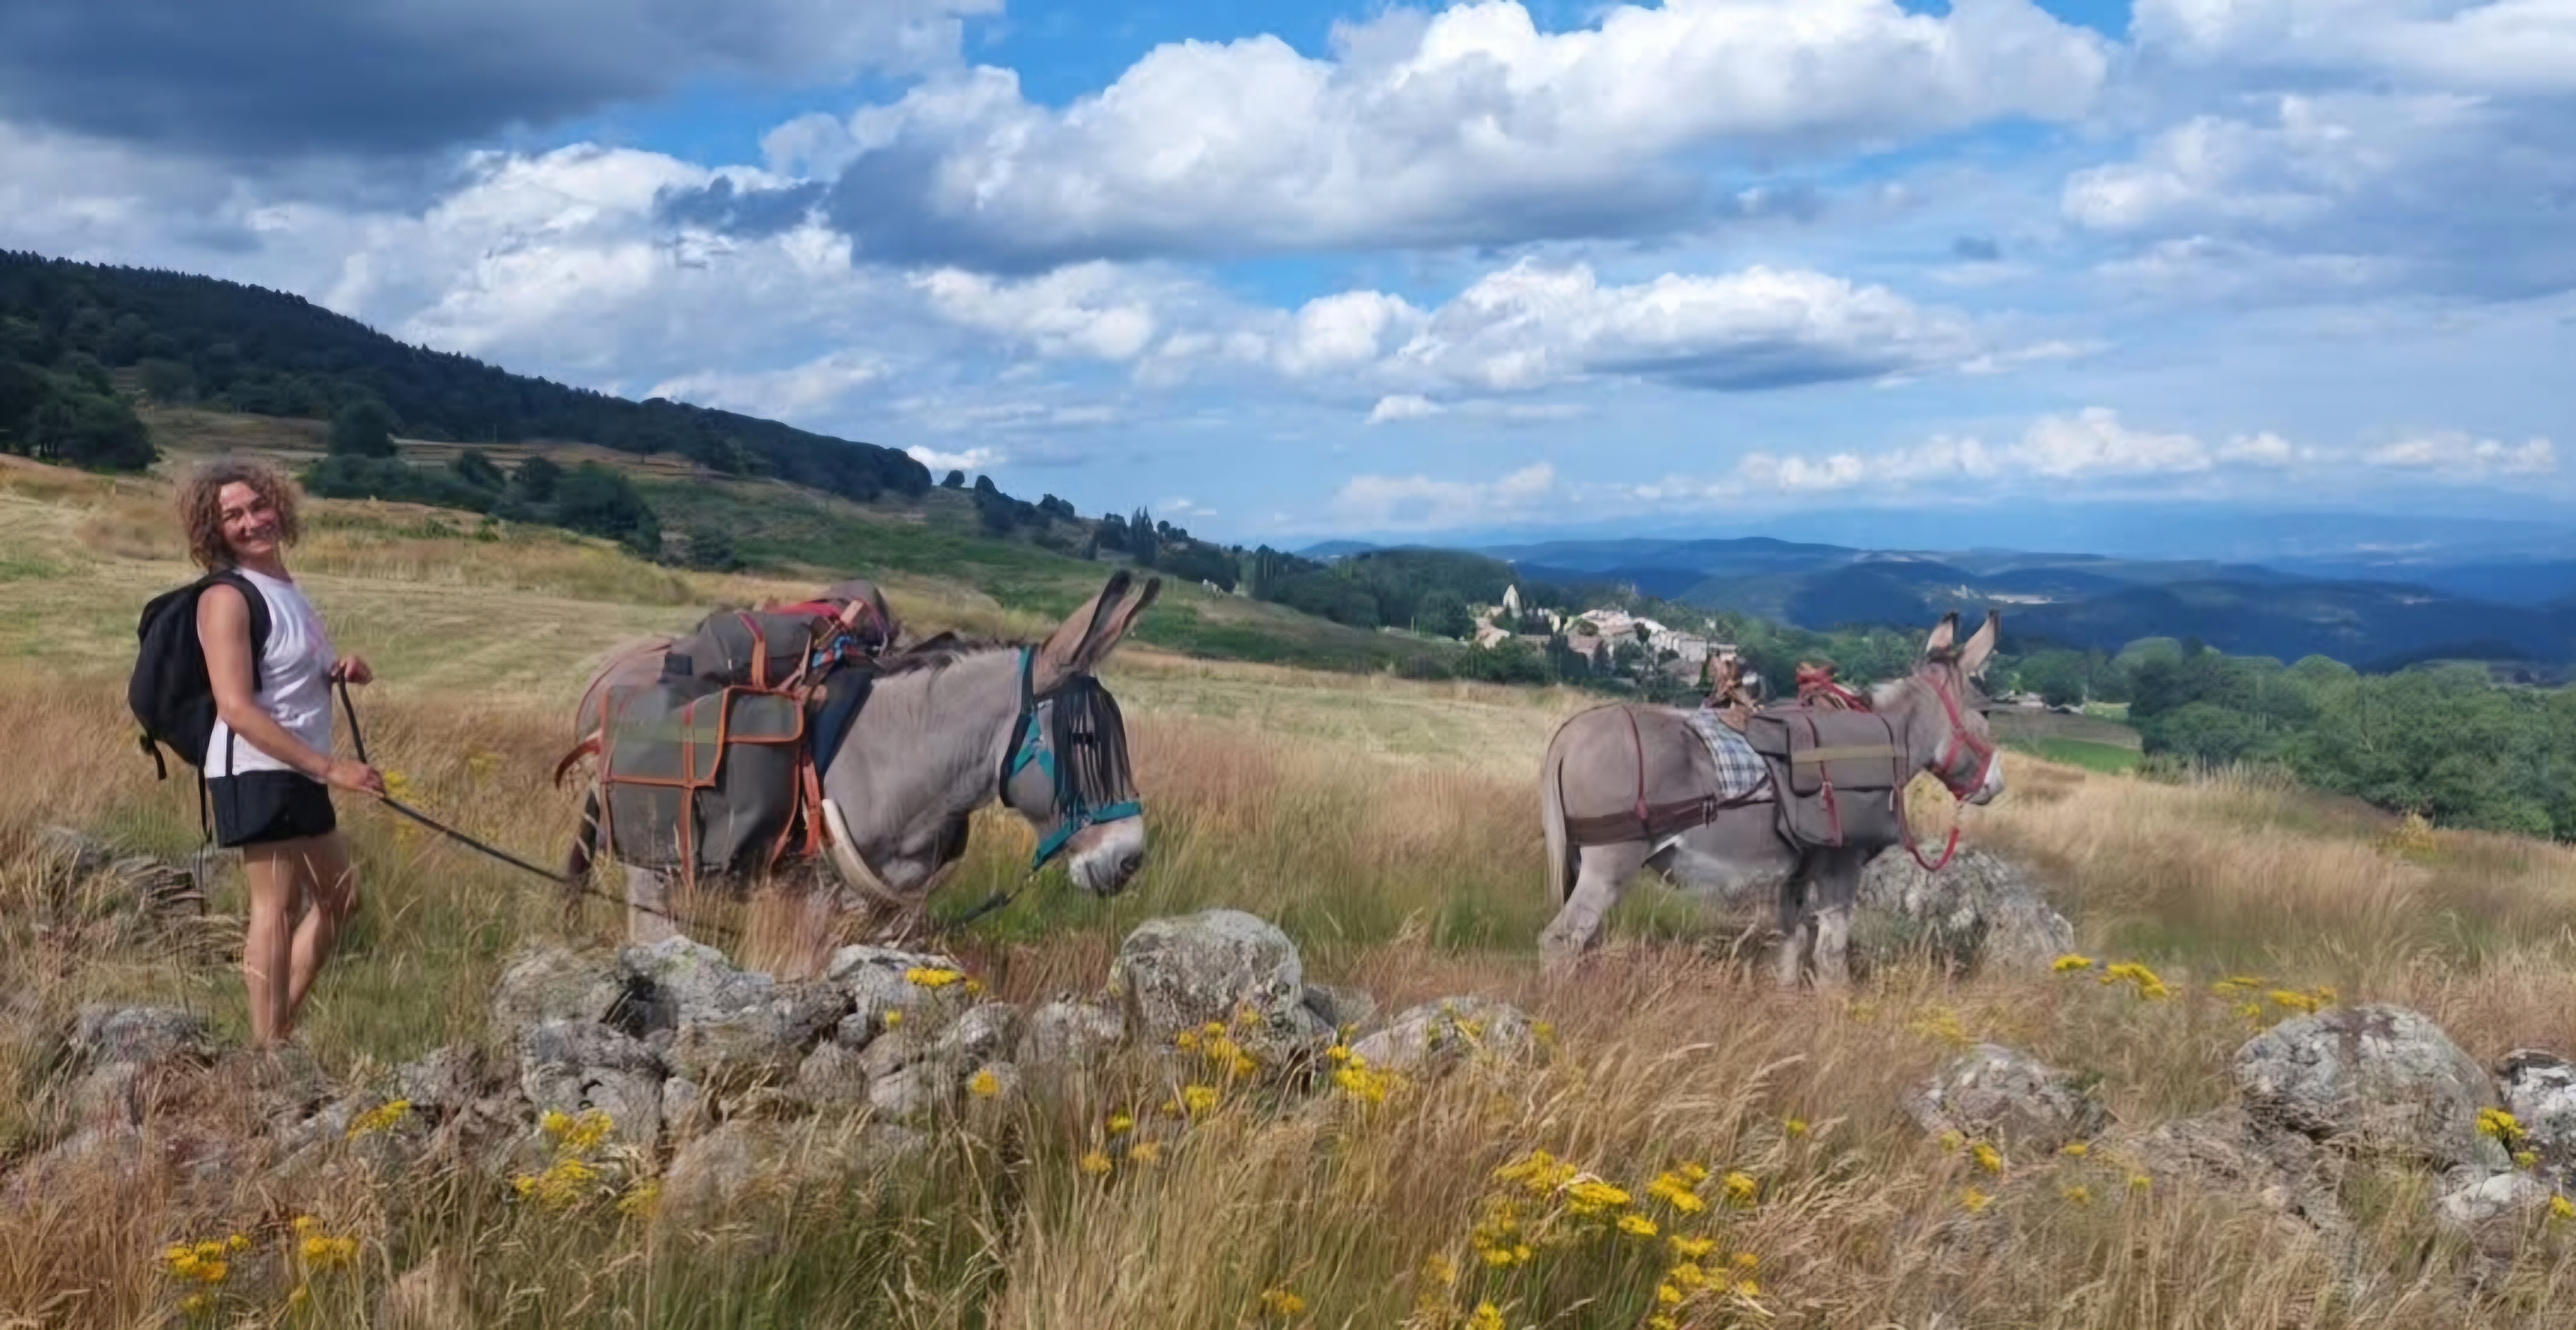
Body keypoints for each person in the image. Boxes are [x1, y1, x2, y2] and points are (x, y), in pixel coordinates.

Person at [180, 457, 384, 1049]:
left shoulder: (285, 588)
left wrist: (340, 670)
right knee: (275, 907)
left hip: (297, 767)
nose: (251, 522)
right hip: (257, 768)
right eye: (232, 516)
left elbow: (288, 676)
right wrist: (331, 768)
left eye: (258, 507)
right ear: (213, 531)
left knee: (340, 898)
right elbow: (238, 707)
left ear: (279, 507)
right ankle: (268, 1050)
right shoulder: (226, 598)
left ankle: (272, 1036)